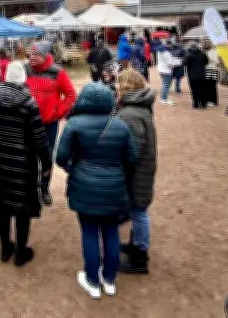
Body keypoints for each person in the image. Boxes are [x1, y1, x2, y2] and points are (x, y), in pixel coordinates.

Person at [55, 82, 138, 300]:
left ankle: (92, 281)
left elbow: (61, 157)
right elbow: (133, 157)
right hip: (114, 188)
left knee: (89, 232)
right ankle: (109, 280)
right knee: (111, 232)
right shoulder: (120, 125)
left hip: (83, 186)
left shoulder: (74, 124)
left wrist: (75, 168)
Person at [0, 61, 51, 266]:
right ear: (23, 78)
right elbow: (39, 138)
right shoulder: (29, 103)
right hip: (23, 164)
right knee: (23, 208)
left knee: (3, 205)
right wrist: (46, 162)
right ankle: (21, 251)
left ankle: (5, 247)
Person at [114, 70, 157, 275]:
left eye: (118, 83)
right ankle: (136, 244)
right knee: (137, 209)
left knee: (138, 211)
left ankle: (140, 255)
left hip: (136, 172)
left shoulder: (129, 113)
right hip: (141, 169)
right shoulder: (138, 108)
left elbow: (133, 150)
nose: (115, 86)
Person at [25, 41, 77, 206]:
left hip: (49, 124)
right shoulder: (25, 69)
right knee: (28, 155)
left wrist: (58, 112)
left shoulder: (57, 73)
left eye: (36, 55)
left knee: (46, 157)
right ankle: (31, 187)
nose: (32, 58)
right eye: (31, 54)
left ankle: (44, 187)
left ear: (46, 55)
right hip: (27, 122)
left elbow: (70, 95)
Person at [183, 42, 209, 109]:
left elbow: (185, 63)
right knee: (202, 89)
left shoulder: (188, 54)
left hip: (192, 75)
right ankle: (203, 104)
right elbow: (206, 62)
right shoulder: (203, 53)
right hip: (201, 74)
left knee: (194, 89)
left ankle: (196, 104)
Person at [155, 40, 177, 105]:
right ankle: (164, 99)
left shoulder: (160, 50)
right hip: (166, 70)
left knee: (165, 84)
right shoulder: (165, 52)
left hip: (161, 69)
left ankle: (164, 97)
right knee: (166, 85)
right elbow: (169, 62)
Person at [204, 41, 219, 106]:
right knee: (209, 86)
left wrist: (208, 57)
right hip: (210, 70)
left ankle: (211, 101)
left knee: (210, 86)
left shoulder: (213, 52)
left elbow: (216, 61)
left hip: (211, 70)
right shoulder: (209, 52)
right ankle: (211, 100)